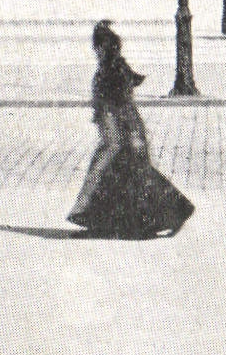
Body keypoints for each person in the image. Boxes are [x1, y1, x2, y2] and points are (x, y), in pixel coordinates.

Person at [68, 22, 194, 239]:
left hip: (121, 132)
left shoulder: (110, 71)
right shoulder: (115, 67)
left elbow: (117, 104)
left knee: (126, 175)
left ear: (103, 47)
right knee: (124, 176)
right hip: (125, 130)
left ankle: (174, 212)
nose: (95, 51)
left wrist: (118, 131)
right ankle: (166, 214)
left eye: (97, 46)